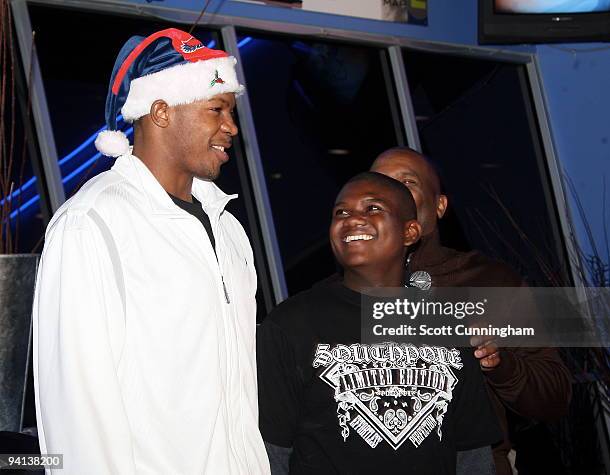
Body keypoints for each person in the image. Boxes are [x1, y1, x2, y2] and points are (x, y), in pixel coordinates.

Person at [32, 28, 270, 474]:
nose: (231, 127)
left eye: (231, 111)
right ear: (160, 111)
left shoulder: (229, 229)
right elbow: (77, 413)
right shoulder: (93, 224)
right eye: (216, 109)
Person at [257, 172, 502, 474]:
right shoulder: (291, 324)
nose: (353, 219)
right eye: (341, 212)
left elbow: (471, 453)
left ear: (410, 232)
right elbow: (272, 454)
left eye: (372, 208)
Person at [371, 147, 572, 475]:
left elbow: (555, 397)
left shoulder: (489, 280)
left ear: (439, 206)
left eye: (407, 183)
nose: (392, 194)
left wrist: (500, 365)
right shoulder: (340, 296)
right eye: (380, 185)